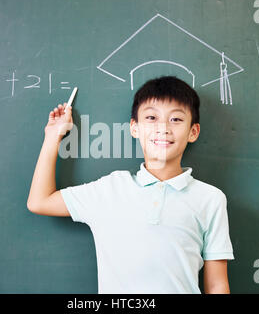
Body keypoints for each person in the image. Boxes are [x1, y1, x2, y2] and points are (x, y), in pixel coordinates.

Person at [27, 76, 234, 294]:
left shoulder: (210, 199)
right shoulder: (110, 190)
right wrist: (53, 136)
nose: (163, 128)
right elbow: (40, 201)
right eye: (152, 117)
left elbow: (217, 284)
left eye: (176, 119)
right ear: (134, 128)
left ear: (193, 132)